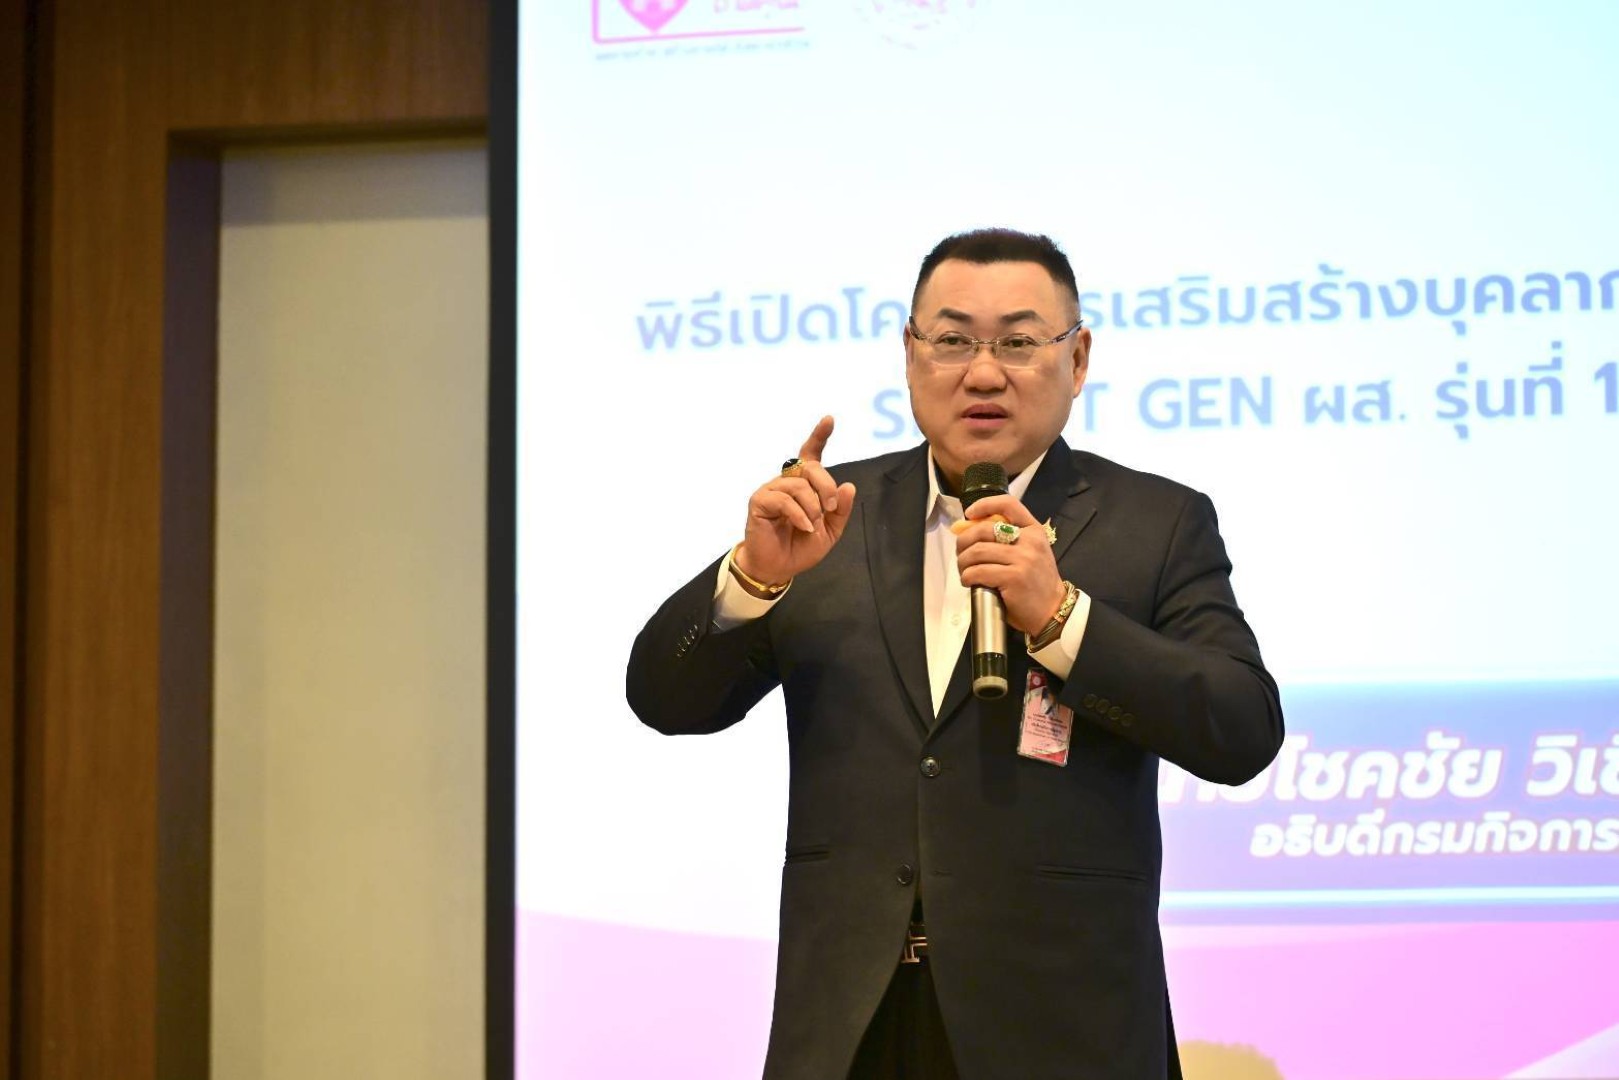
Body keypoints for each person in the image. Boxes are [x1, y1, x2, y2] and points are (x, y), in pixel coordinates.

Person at [626, 228, 1284, 1080]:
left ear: (1077, 359)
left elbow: (1240, 729)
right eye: (950, 341)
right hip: (850, 1029)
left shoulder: (1155, 523)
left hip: (1062, 1034)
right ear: (909, 355)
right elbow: (665, 700)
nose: (981, 373)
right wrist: (753, 579)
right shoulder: (827, 515)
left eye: (1017, 342)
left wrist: (1061, 618)